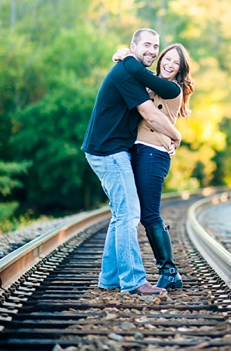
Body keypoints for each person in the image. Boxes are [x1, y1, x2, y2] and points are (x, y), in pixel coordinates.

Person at [81, 28, 180, 295]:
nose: (152, 50)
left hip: (109, 149)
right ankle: (134, 281)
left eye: (155, 46)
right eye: (146, 44)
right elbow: (150, 114)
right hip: (108, 150)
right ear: (133, 46)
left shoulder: (132, 70)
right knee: (129, 213)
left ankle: (110, 278)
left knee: (120, 214)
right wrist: (176, 135)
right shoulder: (127, 73)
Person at [113, 43, 194, 290]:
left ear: (181, 70)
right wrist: (121, 53)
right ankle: (149, 270)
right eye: (166, 59)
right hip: (137, 151)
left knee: (149, 215)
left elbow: (139, 74)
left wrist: (126, 55)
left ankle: (169, 271)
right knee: (133, 213)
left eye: (175, 63)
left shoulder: (171, 88)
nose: (169, 64)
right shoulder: (150, 82)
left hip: (154, 154)